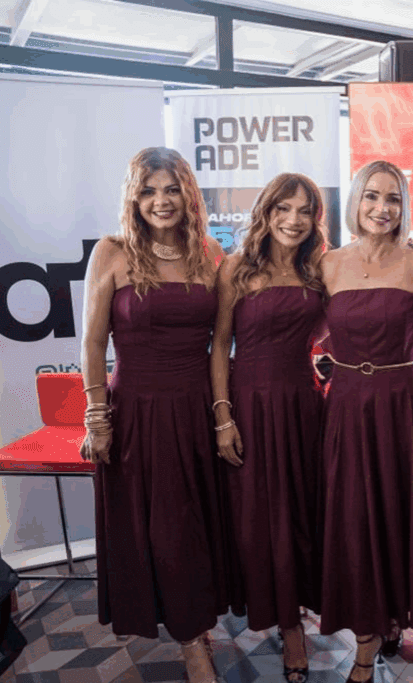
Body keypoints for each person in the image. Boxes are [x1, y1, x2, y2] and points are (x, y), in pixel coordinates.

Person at [80, 147, 228, 683]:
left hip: (194, 409)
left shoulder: (211, 253)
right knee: (163, 530)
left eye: (171, 189)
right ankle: (192, 643)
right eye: (148, 191)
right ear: (133, 197)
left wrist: (222, 413)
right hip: (136, 412)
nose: (161, 201)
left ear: (189, 194)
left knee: (195, 527)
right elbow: (92, 343)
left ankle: (196, 618)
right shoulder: (112, 252)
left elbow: (219, 346)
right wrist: (97, 417)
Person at [317, 160, 413, 683]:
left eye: (393, 198)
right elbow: (314, 329)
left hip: (402, 402)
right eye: (371, 196)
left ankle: (394, 618)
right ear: (355, 201)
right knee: (355, 520)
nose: (381, 209)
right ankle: (367, 638)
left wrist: (390, 359)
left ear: (404, 206)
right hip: (345, 402)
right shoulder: (328, 265)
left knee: (400, 515)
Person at [210, 173, 328, 683]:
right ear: (266, 210)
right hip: (250, 406)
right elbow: (218, 346)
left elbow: (332, 329)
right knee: (263, 521)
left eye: (305, 211)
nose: (294, 220)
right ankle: (288, 626)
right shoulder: (236, 268)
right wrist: (222, 416)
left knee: (303, 516)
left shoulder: (320, 269)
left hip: (304, 405)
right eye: (284, 208)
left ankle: (302, 608)